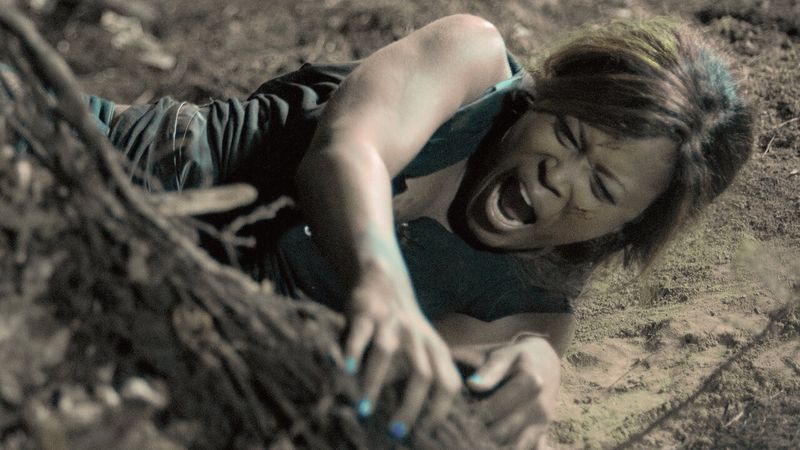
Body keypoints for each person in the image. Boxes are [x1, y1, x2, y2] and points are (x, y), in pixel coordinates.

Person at [4, 14, 752, 448]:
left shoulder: (524, 310)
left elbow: (436, 402)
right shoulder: (472, 60)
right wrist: (382, 282)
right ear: (543, 97)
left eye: (604, 187)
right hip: (99, 171)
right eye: (568, 134)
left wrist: (533, 372)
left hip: (155, 326)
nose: (562, 176)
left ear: (629, 225)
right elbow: (346, 152)